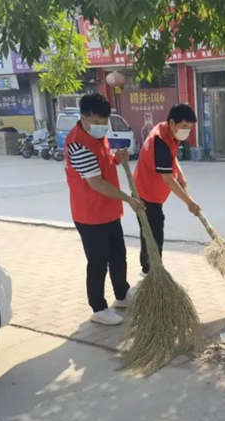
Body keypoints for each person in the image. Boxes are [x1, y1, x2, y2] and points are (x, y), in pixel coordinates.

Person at [65, 93, 144, 326]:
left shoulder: (98, 137)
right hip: (90, 215)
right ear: (83, 117)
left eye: (104, 121)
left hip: (109, 211)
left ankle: (122, 295)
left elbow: (103, 161)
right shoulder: (78, 144)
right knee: (98, 262)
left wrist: (116, 159)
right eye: (96, 122)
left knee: (118, 255)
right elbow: (97, 183)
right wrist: (129, 199)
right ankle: (98, 308)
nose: (101, 126)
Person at [133, 103, 201, 275]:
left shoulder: (165, 130)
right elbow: (168, 180)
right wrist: (189, 202)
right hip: (145, 192)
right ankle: (150, 271)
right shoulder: (160, 142)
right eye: (184, 126)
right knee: (152, 233)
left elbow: (172, 157)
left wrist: (180, 173)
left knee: (151, 229)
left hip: (149, 189)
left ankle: (151, 267)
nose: (187, 131)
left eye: (190, 127)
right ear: (172, 123)